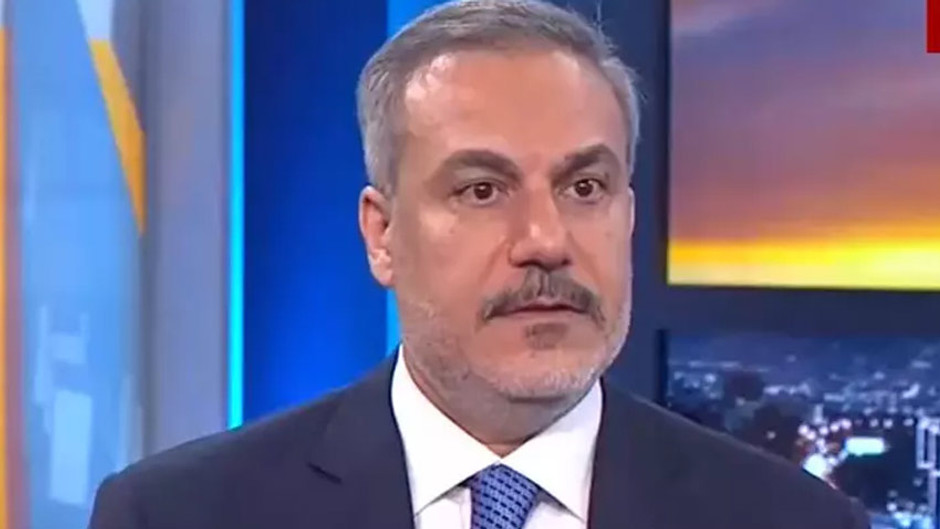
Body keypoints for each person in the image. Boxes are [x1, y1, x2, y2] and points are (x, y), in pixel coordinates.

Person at [90, 1, 871, 528]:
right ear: (382, 235)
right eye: (482, 189)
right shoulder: (180, 515)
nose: (545, 238)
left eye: (585, 186)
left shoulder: (792, 519)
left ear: (628, 214)